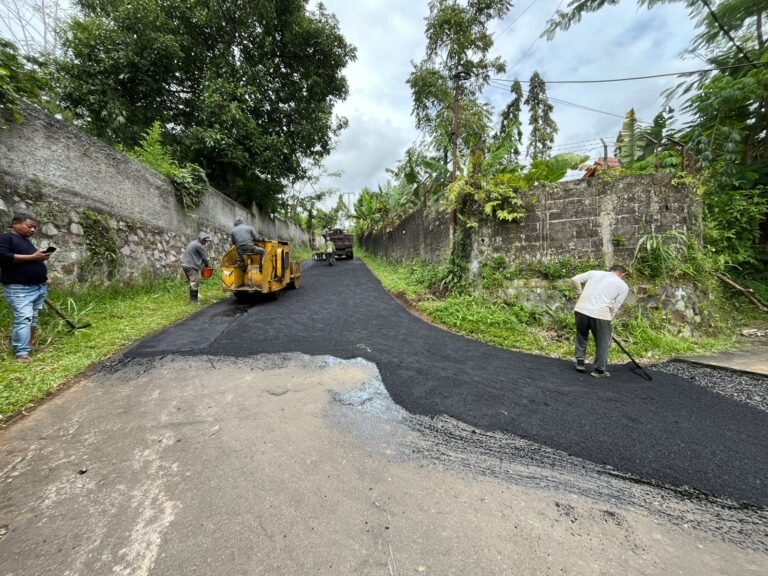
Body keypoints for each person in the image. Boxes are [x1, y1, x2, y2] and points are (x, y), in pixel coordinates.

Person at [0, 213, 53, 362]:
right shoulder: (5, 238)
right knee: (24, 319)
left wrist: (44, 278)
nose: (33, 230)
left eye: (35, 228)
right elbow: (2, 257)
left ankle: (29, 346)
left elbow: (30, 264)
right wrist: (33, 258)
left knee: (33, 318)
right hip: (19, 288)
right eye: (30, 226)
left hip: (38, 287)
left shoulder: (26, 242)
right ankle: (21, 353)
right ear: (15, 223)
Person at [570, 265, 629, 378]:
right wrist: (610, 319)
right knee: (602, 342)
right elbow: (616, 306)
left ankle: (580, 362)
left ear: (611, 270)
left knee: (581, 335)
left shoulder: (594, 273)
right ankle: (599, 370)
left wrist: (580, 294)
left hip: (581, 309)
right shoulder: (623, 286)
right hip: (601, 314)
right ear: (622, 275)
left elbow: (575, 279)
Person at [181, 232, 211, 304]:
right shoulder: (198, 245)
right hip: (191, 266)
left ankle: (193, 297)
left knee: (191, 282)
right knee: (194, 283)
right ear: (200, 239)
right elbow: (205, 258)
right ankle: (194, 301)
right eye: (205, 240)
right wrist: (207, 267)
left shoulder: (193, 243)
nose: (206, 242)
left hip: (185, 264)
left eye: (207, 240)